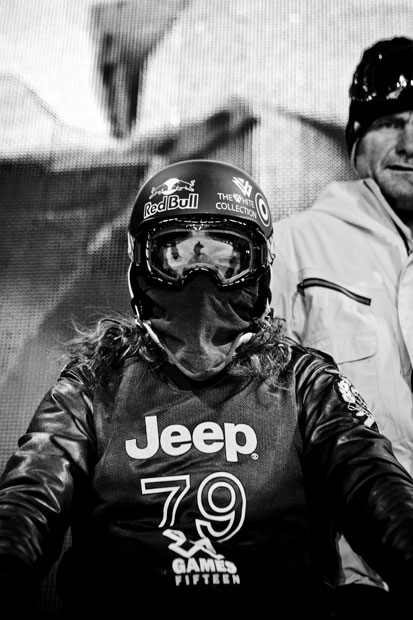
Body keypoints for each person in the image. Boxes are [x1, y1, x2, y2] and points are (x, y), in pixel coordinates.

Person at [1, 159, 413, 620]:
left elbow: (375, 486)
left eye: (222, 257)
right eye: (177, 255)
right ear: (142, 265)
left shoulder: (303, 380)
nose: (201, 278)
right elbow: (28, 503)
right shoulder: (94, 383)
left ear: (257, 269)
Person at [270, 35, 413, 614]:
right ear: (356, 140)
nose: (411, 143)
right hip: (349, 588)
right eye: (390, 122)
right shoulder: (292, 247)